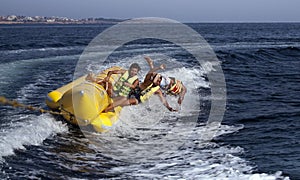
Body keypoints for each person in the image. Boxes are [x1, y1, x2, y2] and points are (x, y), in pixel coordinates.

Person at [103, 58, 177, 112]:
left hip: (137, 99)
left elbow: (163, 100)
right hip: (132, 92)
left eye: (159, 82)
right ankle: (108, 103)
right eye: (158, 79)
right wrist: (158, 68)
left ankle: (108, 109)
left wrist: (169, 108)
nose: (158, 81)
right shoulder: (148, 81)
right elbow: (151, 72)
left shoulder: (158, 90)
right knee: (119, 98)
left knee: (123, 102)